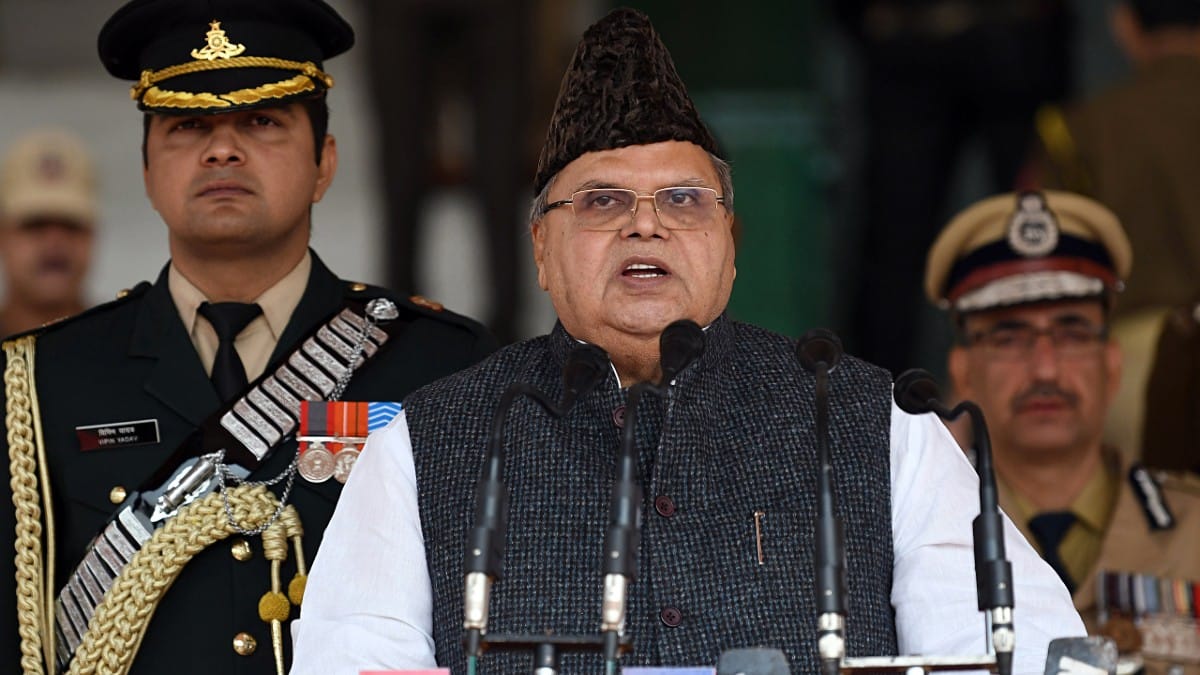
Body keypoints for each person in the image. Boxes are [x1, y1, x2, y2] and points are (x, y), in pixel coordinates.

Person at [292, 9, 1082, 674]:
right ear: (540, 248)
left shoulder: (872, 420)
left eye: (683, 198)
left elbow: (1013, 647)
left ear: (730, 243)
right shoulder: (435, 439)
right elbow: (351, 653)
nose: (646, 221)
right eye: (602, 201)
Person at [0, 2, 495, 674]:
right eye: (188, 124)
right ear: (147, 170)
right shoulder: (40, 381)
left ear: (325, 162)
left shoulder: (445, 367)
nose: (222, 148)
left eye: (262, 121)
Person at [926, 190, 1200, 672]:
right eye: (1009, 337)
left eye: (1072, 332)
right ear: (963, 371)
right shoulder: (919, 537)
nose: (1046, 369)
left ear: (1112, 364)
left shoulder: (1194, 530)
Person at [1026, 0, 1200, 460]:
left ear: (1124, 26)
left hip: (1128, 369)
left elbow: (1038, 264)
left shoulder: (1083, 127)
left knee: (1143, 523)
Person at [0, 129, 97, 337]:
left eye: (71, 225)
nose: (55, 242)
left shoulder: (130, 349)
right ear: (3, 236)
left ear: (92, 236)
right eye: (35, 225)